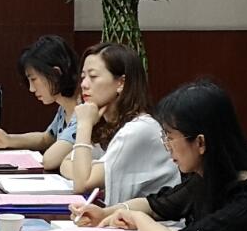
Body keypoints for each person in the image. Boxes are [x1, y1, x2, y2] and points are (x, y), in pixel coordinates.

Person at [72, 78, 247, 231]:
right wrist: (106, 213)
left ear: (200, 142)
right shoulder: (207, 178)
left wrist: (135, 217)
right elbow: (156, 205)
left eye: (170, 138)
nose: (167, 147)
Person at [55, 42, 176, 205]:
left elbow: (82, 183)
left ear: (121, 83)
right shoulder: (108, 123)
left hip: (152, 219)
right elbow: (66, 163)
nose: (84, 84)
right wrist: (83, 171)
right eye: (83, 77)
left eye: (93, 76)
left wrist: (84, 125)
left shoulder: (139, 129)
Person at [0, 36, 91, 172]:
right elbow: (46, 138)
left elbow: (49, 160)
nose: (31, 89)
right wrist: (8, 139)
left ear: (56, 73)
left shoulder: (84, 111)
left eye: (34, 79)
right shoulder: (64, 107)